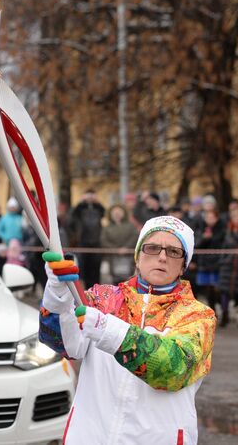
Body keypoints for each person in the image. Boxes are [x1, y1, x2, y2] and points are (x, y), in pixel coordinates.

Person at [38, 216, 216, 443]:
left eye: (173, 252)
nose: (162, 257)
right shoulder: (104, 298)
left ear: (183, 265)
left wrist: (107, 330)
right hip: (91, 436)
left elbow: (173, 369)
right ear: (138, 257)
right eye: (152, 248)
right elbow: (61, 343)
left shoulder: (197, 316)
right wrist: (58, 295)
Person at [69, 189, 105, 288]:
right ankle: (85, 291)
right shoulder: (80, 209)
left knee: (95, 269)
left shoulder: (97, 208)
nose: (90, 197)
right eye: (87, 195)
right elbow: (73, 217)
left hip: (96, 242)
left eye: (92, 195)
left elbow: (103, 212)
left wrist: (97, 202)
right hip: (82, 242)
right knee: (83, 269)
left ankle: (96, 289)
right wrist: (81, 202)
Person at [194, 209, 225, 311]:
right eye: (207, 218)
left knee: (218, 288)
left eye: (212, 218)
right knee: (207, 289)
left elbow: (222, 244)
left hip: (218, 263)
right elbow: (197, 245)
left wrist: (212, 238)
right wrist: (205, 238)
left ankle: (222, 308)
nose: (209, 220)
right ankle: (213, 310)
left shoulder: (222, 229)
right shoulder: (201, 228)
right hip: (204, 263)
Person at [100, 204, 138, 283]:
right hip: (111, 257)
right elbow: (103, 240)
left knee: (129, 279)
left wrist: (126, 248)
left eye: (119, 212)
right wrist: (115, 249)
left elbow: (134, 237)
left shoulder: (130, 226)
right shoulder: (107, 228)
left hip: (129, 257)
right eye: (114, 212)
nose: (117, 214)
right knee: (112, 279)